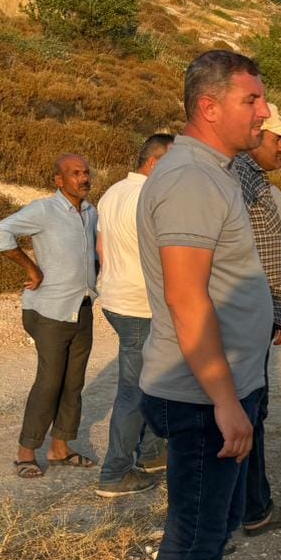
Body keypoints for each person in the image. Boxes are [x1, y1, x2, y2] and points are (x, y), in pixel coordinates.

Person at [135, 50, 274, 560]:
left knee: (212, 533)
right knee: (190, 539)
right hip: (198, 396)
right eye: (253, 99)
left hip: (224, 388)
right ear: (210, 106)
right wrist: (224, 399)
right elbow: (188, 304)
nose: (265, 112)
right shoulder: (190, 180)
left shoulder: (214, 177)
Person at [0, 153, 100, 479]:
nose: (83, 178)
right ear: (59, 180)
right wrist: (31, 268)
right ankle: (26, 451)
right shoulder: (43, 210)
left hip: (82, 308)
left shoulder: (91, 212)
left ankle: (60, 448)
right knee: (50, 381)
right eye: (75, 173)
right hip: (48, 310)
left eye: (86, 172)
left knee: (73, 383)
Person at [231, 108, 281, 537]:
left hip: (255, 315)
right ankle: (250, 509)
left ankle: (251, 504)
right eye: (276, 137)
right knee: (246, 412)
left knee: (251, 411)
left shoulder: (258, 182)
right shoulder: (236, 178)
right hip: (242, 318)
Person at [93, 133, 174, 498]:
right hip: (140, 304)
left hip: (114, 297)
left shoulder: (112, 192)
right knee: (135, 389)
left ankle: (155, 451)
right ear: (155, 163)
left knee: (154, 380)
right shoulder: (151, 197)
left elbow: (100, 246)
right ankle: (116, 471)